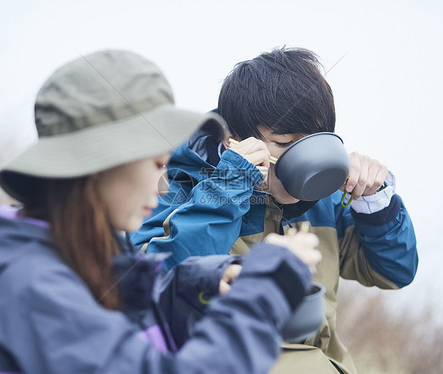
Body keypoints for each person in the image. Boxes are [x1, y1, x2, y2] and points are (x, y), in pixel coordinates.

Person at [0, 50, 324, 374]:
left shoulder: (69, 256)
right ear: (101, 164)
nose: (160, 184)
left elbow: (125, 322)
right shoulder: (31, 289)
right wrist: (268, 283)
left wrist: (193, 282)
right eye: (155, 164)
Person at [131, 47, 419, 374]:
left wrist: (375, 203)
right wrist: (228, 187)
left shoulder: (327, 200)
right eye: (285, 144)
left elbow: (393, 272)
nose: (307, 156)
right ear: (232, 142)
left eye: (315, 140)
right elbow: (146, 287)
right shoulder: (181, 186)